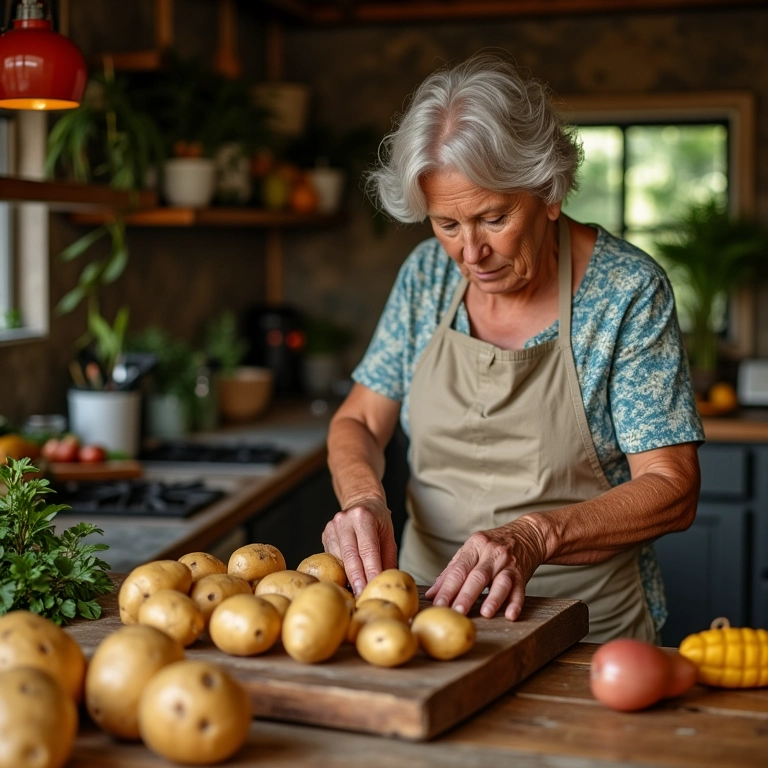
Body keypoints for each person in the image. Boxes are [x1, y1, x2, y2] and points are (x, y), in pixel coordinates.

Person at [321, 51, 704, 643]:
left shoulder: (625, 292)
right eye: (447, 225)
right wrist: (363, 500)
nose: (470, 254)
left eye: (493, 218)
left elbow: (672, 486)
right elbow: (360, 420)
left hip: (581, 627)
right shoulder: (427, 276)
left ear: (549, 194)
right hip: (423, 616)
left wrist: (534, 537)